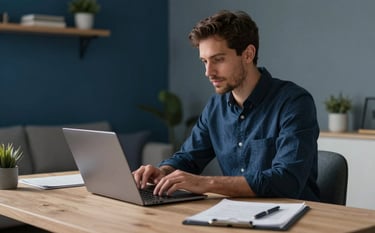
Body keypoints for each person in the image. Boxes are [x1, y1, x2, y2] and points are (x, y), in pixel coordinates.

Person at [133, 10, 320, 201]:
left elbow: (287, 181)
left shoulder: (294, 102)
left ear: (248, 54)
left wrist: (205, 183)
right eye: (204, 61)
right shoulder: (215, 107)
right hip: (237, 216)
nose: (208, 72)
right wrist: (163, 171)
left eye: (218, 59)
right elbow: (189, 157)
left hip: (297, 218)